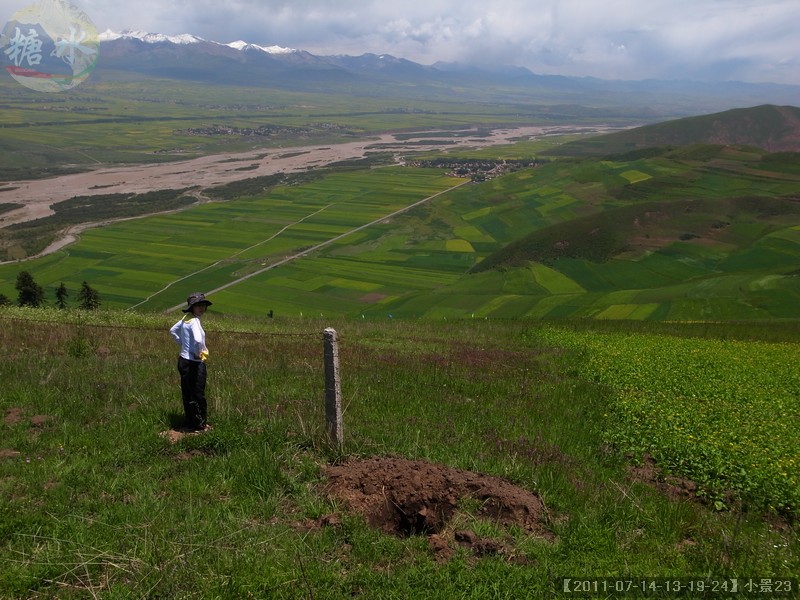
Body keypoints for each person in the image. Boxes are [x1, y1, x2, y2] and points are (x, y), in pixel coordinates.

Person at [170, 292, 212, 432]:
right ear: (192, 307)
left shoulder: (185, 318)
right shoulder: (194, 321)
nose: (201, 308)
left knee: (187, 393)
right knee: (198, 394)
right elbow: (199, 339)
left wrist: (182, 343)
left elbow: (173, 330)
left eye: (203, 305)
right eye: (198, 306)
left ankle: (190, 422)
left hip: (183, 360)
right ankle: (201, 425)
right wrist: (200, 351)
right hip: (195, 362)